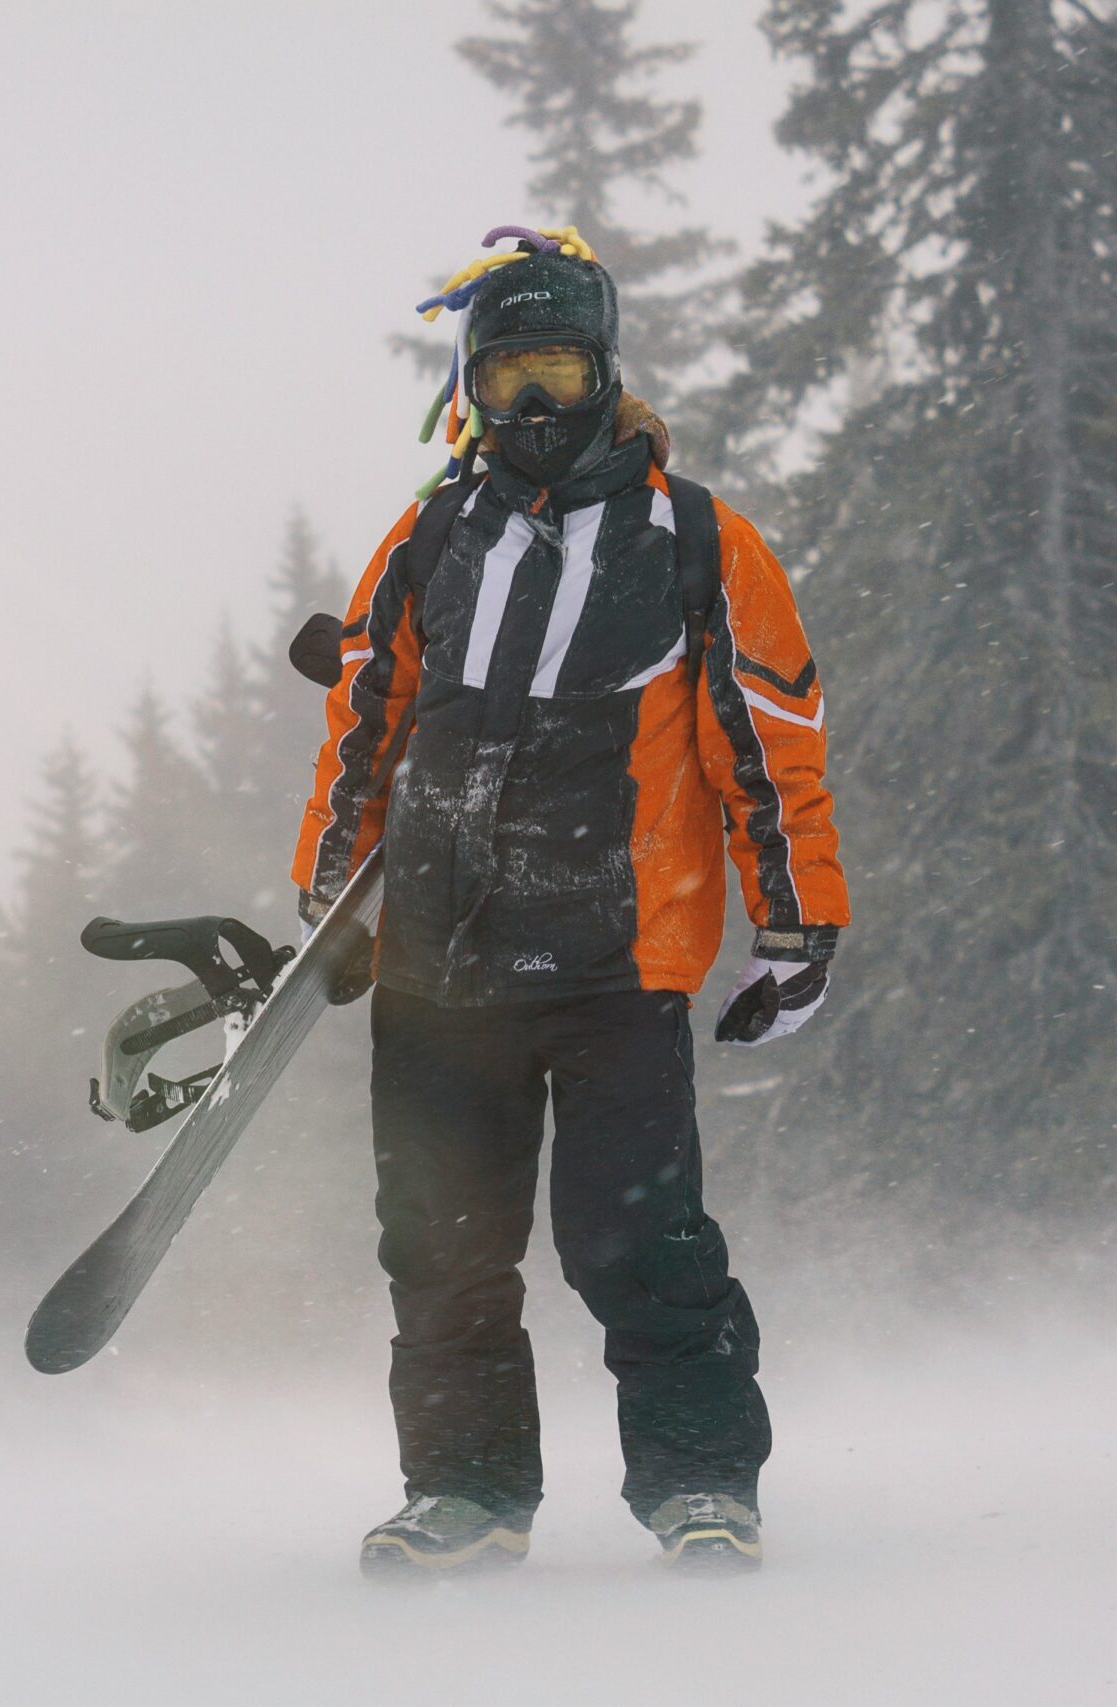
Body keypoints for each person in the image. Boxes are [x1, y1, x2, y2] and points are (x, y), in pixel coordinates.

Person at [291, 227, 849, 1577]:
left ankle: (702, 1481)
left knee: (633, 1242)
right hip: (441, 966)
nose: (535, 406)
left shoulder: (696, 537)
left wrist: (798, 924)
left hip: (616, 963)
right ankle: (468, 1491)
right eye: (509, 378)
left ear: (606, 372)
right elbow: (365, 719)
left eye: (560, 370)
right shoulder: (432, 536)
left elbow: (769, 736)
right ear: (469, 391)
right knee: (442, 1252)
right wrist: (329, 900)